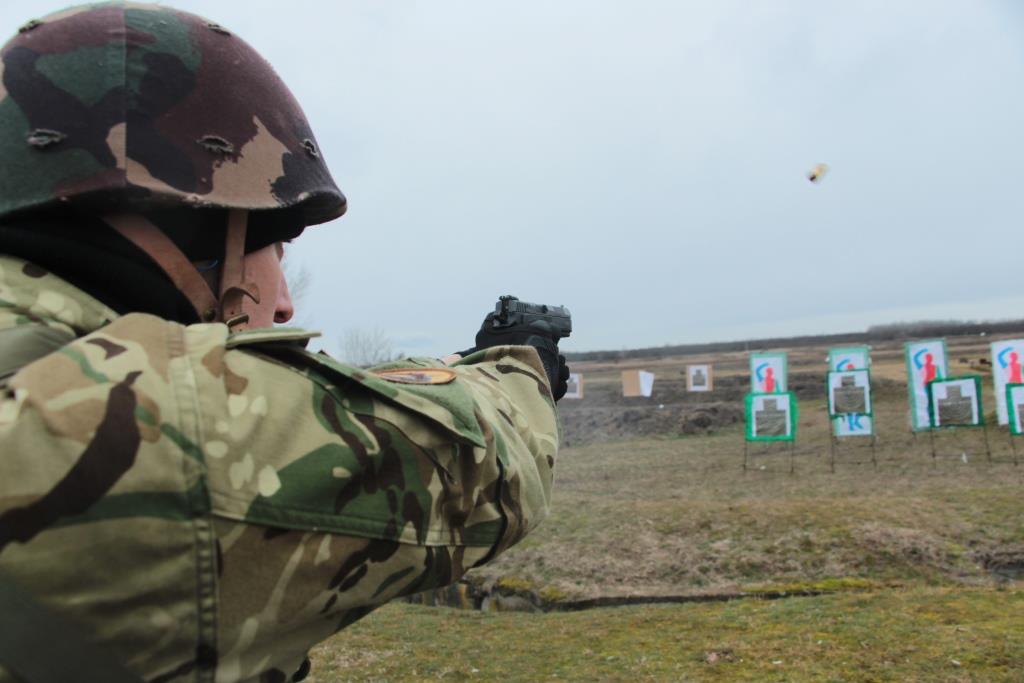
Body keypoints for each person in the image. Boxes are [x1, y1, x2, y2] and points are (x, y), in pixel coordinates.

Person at [0, 4, 568, 682]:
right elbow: (488, 460)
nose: (287, 298)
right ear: (196, 233)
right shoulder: (151, 425)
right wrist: (517, 361)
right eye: (276, 242)